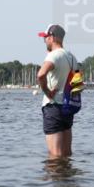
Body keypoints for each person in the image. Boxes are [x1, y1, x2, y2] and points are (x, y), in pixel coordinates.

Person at [36, 24, 79, 159]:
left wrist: (47, 91)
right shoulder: (72, 58)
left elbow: (41, 74)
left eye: (45, 37)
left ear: (52, 37)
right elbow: (77, 83)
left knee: (55, 156)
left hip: (53, 107)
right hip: (67, 108)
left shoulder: (53, 56)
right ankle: (67, 173)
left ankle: (56, 173)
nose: (44, 41)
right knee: (67, 153)